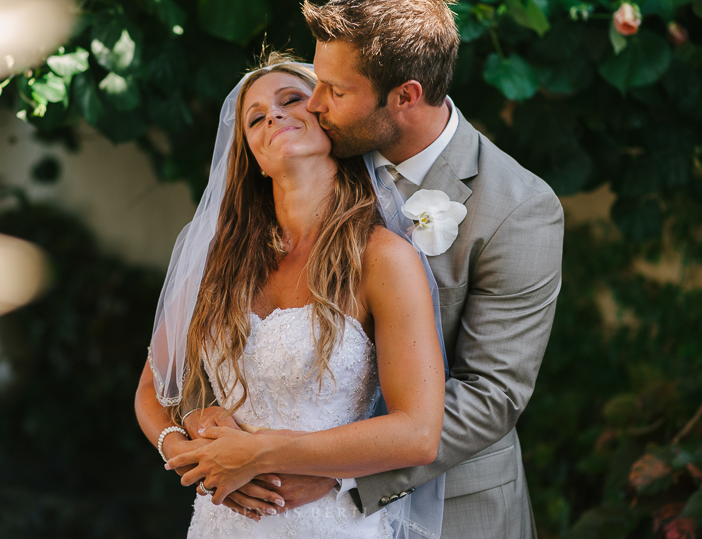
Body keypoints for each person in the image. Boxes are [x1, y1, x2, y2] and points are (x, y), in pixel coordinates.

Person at [186, 1, 566, 537]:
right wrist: (208, 424)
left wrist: (332, 471)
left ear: (405, 97)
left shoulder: (517, 208)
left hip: (454, 504)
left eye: (336, 91)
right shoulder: (320, 148)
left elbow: (491, 394)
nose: (315, 104)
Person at [134, 55, 448, 538]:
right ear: (254, 156)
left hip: (330, 523)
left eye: (290, 101)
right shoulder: (219, 260)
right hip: (224, 522)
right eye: (256, 118)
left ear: (329, 121)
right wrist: (188, 445)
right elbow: (152, 393)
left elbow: (417, 433)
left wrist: (258, 454)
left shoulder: (382, 258)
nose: (274, 117)